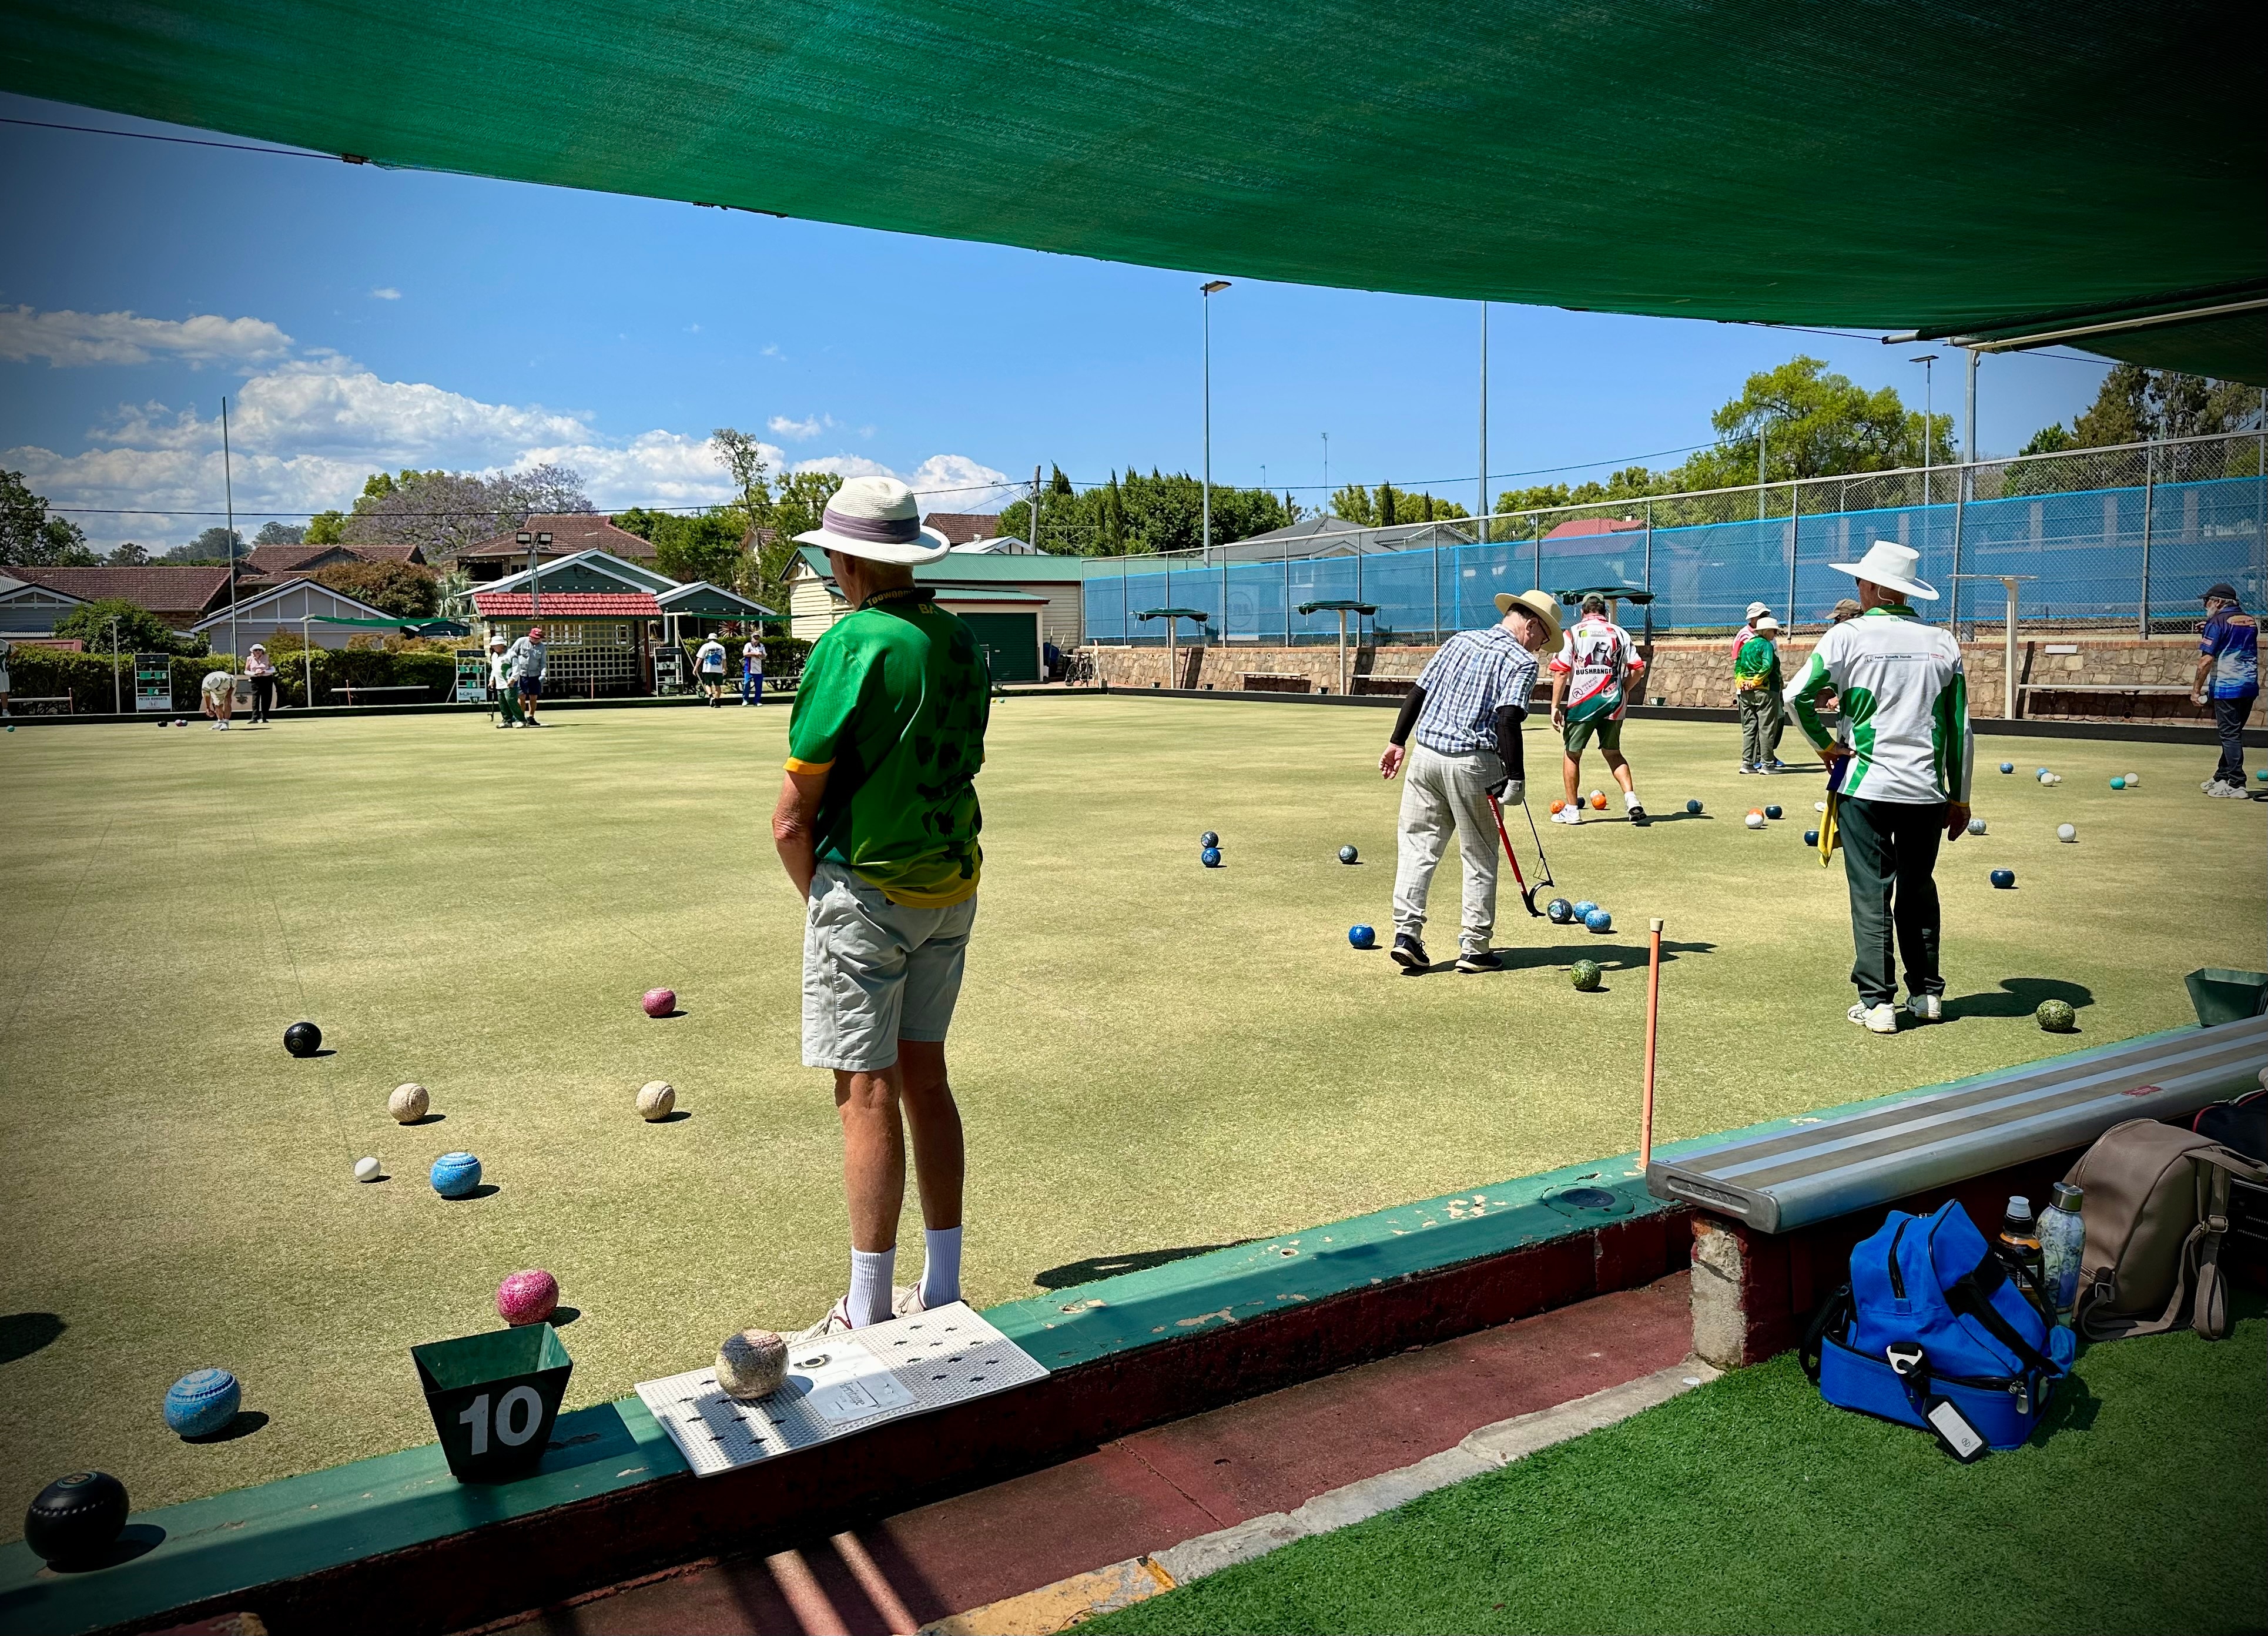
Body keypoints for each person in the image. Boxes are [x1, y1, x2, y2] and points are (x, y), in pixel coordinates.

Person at [770, 476, 989, 1336]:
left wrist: (819, 901)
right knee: (925, 1077)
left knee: (864, 1088)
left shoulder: (850, 642)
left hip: (865, 884)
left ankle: (865, 1309)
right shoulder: (960, 638)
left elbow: (793, 816)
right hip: (952, 882)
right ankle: (943, 1287)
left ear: (846, 557)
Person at [1784, 541, 1971, 1035]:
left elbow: (1795, 695)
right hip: (1927, 792)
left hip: (1865, 786)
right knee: (1916, 888)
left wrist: (1824, 746)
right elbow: (1959, 730)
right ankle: (1927, 993)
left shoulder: (1845, 636)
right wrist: (1961, 797)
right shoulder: (1943, 642)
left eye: (1859, 582)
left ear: (1871, 587)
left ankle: (1877, 1002)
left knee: (1871, 892)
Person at [1378, 589, 1558, 975]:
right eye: (1542, 639)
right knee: (1478, 855)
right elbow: (1507, 717)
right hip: (1473, 763)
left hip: (1425, 756)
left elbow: (1418, 692)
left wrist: (1397, 741)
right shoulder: (1521, 660)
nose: (1540, 648)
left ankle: (1406, 935)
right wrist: (1517, 777)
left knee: (1416, 847)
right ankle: (1474, 948)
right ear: (1530, 625)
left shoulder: (1459, 639)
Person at [1549, 591, 1648, 825]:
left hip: (1583, 703)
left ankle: (1572, 810)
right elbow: (1638, 668)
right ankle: (1631, 799)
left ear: (1583, 611)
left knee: (1572, 755)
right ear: (1604, 611)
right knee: (1613, 752)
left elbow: (1562, 671)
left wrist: (1554, 706)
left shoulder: (1572, 633)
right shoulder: (1620, 633)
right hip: (1613, 701)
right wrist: (1623, 688)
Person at [2192, 582, 2257, 797]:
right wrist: (2210, 625)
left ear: (2218, 602)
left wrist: (2196, 691)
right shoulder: (2250, 621)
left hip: (2227, 688)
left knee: (2229, 735)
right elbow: (2232, 634)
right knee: (2233, 735)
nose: (2205, 605)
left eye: (2207, 601)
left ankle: (2237, 784)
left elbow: (2206, 661)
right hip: (2249, 686)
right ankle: (2222, 776)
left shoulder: (2217, 622)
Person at [1734, 615, 1785, 772]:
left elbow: (1738, 667)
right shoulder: (1767, 646)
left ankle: (1747, 763)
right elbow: (1768, 666)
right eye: (1773, 631)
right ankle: (1767, 764)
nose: (1775, 634)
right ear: (1766, 630)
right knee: (1767, 728)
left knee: (1749, 728)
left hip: (1745, 692)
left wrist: (1742, 682)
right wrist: (1756, 682)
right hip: (1766, 691)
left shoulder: (1747, 646)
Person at [507, 625, 547, 726]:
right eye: (535, 637)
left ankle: (531, 717)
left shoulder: (542, 647)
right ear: (530, 636)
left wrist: (543, 674)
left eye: (539, 638)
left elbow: (543, 663)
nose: (537, 640)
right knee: (522, 696)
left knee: (534, 697)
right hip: (522, 674)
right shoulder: (521, 641)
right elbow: (512, 653)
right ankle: (521, 718)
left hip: (535, 675)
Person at [487, 633, 522, 728]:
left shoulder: (511, 654)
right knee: (502, 703)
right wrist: (491, 680)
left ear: (502, 645)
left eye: (495, 645)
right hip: (499, 684)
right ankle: (507, 721)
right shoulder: (494, 655)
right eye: (493, 646)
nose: (494, 647)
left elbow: (517, 667)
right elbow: (494, 669)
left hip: (510, 683)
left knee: (511, 701)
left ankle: (521, 720)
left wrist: (513, 679)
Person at [244, 643, 277, 724]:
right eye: (256, 650)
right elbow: (246, 671)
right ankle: (254, 718)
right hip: (255, 680)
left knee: (266, 698)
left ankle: (264, 718)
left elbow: (273, 669)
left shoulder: (267, 657)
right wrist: (254, 674)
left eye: (260, 650)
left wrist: (265, 671)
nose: (258, 651)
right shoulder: (249, 659)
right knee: (256, 698)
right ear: (253, 651)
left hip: (267, 679)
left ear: (263, 651)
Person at [695, 633, 728, 707]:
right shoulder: (721, 647)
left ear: (709, 639)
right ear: (716, 639)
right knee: (718, 686)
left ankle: (711, 697)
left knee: (708, 684)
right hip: (718, 670)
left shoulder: (705, 646)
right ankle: (717, 702)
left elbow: (700, 658)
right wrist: (725, 668)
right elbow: (724, 660)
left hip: (708, 669)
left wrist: (696, 667)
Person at [200, 666, 236, 730]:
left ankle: (226, 723)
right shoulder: (206, 685)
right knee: (218, 705)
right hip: (215, 692)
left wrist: (228, 695)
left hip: (228, 689)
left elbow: (234, 683)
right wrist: (208, 708)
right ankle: (220, 722)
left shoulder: (228, 679)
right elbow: (207, 695)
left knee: (227, 701)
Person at [741, 631, 766, 706]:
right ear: (752, 639)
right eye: (755, 638)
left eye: (757, 638)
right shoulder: (748, 645)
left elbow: (765, 656)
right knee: (746, 684)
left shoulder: (761, 646)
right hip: (749, 669)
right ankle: (745, 700)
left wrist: (761, 655)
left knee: (759, 686)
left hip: (759, 670)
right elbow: (745, 654)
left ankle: (757, 701)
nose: (756, 640)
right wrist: (755, 654)